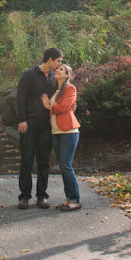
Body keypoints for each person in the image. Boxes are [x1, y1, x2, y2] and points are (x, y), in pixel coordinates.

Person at [16, 47, 62, 209]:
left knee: (44, 161)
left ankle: (42, 196)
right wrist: (22, 120)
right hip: (29, 124)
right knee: (27, 160)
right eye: (58, 61)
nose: (59, 64)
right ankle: (24, 196)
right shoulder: (29, 75)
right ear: (49, 60)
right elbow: (20, 99)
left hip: (46, 126)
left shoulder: (53, 77)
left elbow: (60, 96)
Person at [42, 63, 82, 211]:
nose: (57, 71)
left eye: (61, 70)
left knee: (66, 165)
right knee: (63, 166)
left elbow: (65, 107)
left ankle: (75, 199)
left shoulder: (70, 88)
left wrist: (49, 107)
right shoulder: (56, 90)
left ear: (67, 75)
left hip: (68, 131)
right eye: (57, 69)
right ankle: (68, 198)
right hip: (56, 132)